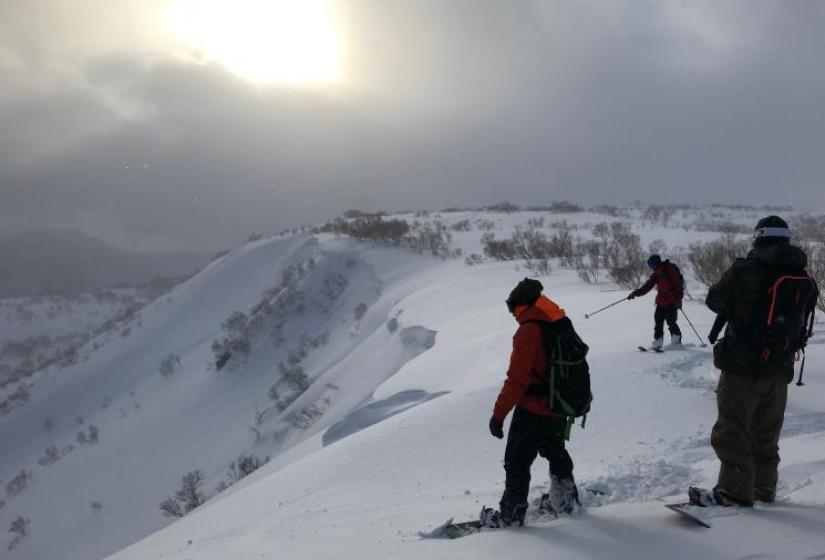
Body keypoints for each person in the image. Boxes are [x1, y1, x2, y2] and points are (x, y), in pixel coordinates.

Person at [695, 216, 818, 507]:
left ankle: (734, 493)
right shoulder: (803, 276)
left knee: (732, 431)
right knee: (766, 433)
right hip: (780, 368)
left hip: (742, 367)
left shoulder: (746, 271)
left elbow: (714, 300)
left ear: (758, 238)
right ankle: (764, 490)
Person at [481, 278, 581, 528]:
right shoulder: (557, 323)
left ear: (521, 305)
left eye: (512, 308)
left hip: (532, 410)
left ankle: (511, 517)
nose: (512, 314)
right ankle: (567, 501)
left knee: (517, 462)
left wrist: (498, 415)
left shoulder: (529, 331)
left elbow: (517, 379)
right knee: (555, 452)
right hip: (557, 407)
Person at [628, 254, 684, 350]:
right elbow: (648, 286)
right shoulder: (656, 274)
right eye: (650, 264)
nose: (651, 266)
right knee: (658, 320)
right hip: (661, 301)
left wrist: (678, 300)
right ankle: (658, 341)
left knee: (671, 321)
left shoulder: (669, 271)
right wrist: (636, 293)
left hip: (672, 300)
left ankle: (676, 340)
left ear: (657, 262)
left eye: (652, 264)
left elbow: (678, 285)